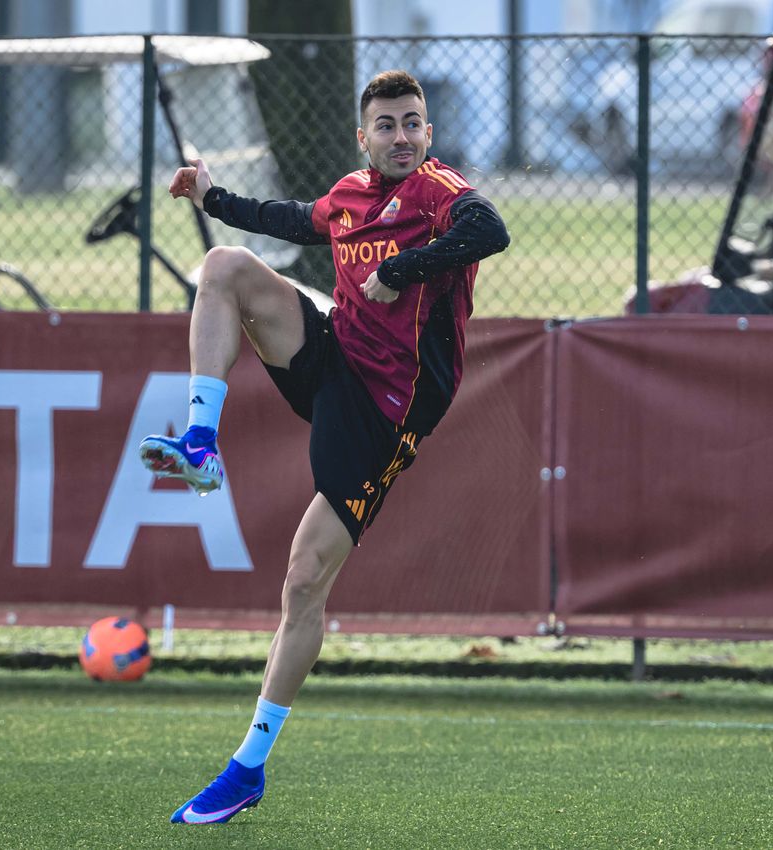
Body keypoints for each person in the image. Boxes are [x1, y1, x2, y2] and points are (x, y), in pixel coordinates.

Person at [138, 69, 510, 825]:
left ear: (427, 134)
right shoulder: (350, 193)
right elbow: (291, 218)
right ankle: (201, 444)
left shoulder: (441, 193)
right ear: (363, 135)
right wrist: (210, 196)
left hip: (387, 409)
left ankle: (247, 767)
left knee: (304, 580)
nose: (401, 136)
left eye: (413, 123)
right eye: (387, 125)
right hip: (334, 358)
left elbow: (490, 231)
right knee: (224, 267)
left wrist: (401, 270)